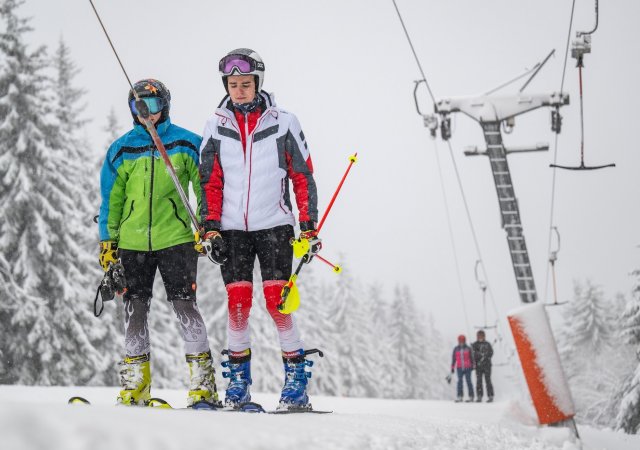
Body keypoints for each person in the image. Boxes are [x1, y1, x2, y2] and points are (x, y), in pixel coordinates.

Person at [199, 48, 320, 411]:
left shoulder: (284, 122)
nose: (239, 90)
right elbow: (210, 180)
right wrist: (211, 229)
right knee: (237, 304)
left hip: (274, 226)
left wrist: (308, 226)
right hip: (232, 230)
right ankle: (238, 385)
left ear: (258, 83)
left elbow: (302, 175)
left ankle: (296, 384)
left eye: (246, 83)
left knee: (277, 303)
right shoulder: (216, 125)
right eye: (233, 84)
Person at [98, 79, 219, 407]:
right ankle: (136, 386)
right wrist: (108, 243)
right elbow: (112, 200)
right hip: (132, 242)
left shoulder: (186, 142)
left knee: (184, 305)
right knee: (134, 309)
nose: (146, 114)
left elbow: (205, 186)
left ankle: (203, 386)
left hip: (177, 239)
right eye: (139, 107)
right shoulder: (121, 149)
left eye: (151, 106)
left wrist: (208, 227)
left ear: (164, 106)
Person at [472, 329, 494, 402]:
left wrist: (485, 356)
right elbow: (473, 354)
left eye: (481, 336)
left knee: (488, 380)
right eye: (479, 336)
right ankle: (479, 396)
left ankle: (490, 395)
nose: (480, 337)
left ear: (484, 336)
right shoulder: (475, 344)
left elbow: (491, 353)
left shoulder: (487, 344)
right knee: (479, 381)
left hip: (487, 366)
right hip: (478, 366)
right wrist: (479, 356)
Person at [451, 334, 475, 402]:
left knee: (468, 381)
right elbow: (454, 359)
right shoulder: (456, 349)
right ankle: (460, 396)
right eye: (460, 340)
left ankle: (471, 396)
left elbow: (472, 357)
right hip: (459, 368)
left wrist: (473, 365)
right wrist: (452, 367)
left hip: (468, 367)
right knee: (460, 382)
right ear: (458, 341)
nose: (461, 342)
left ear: (465, 341)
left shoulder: (468, 348)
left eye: (462, 340)